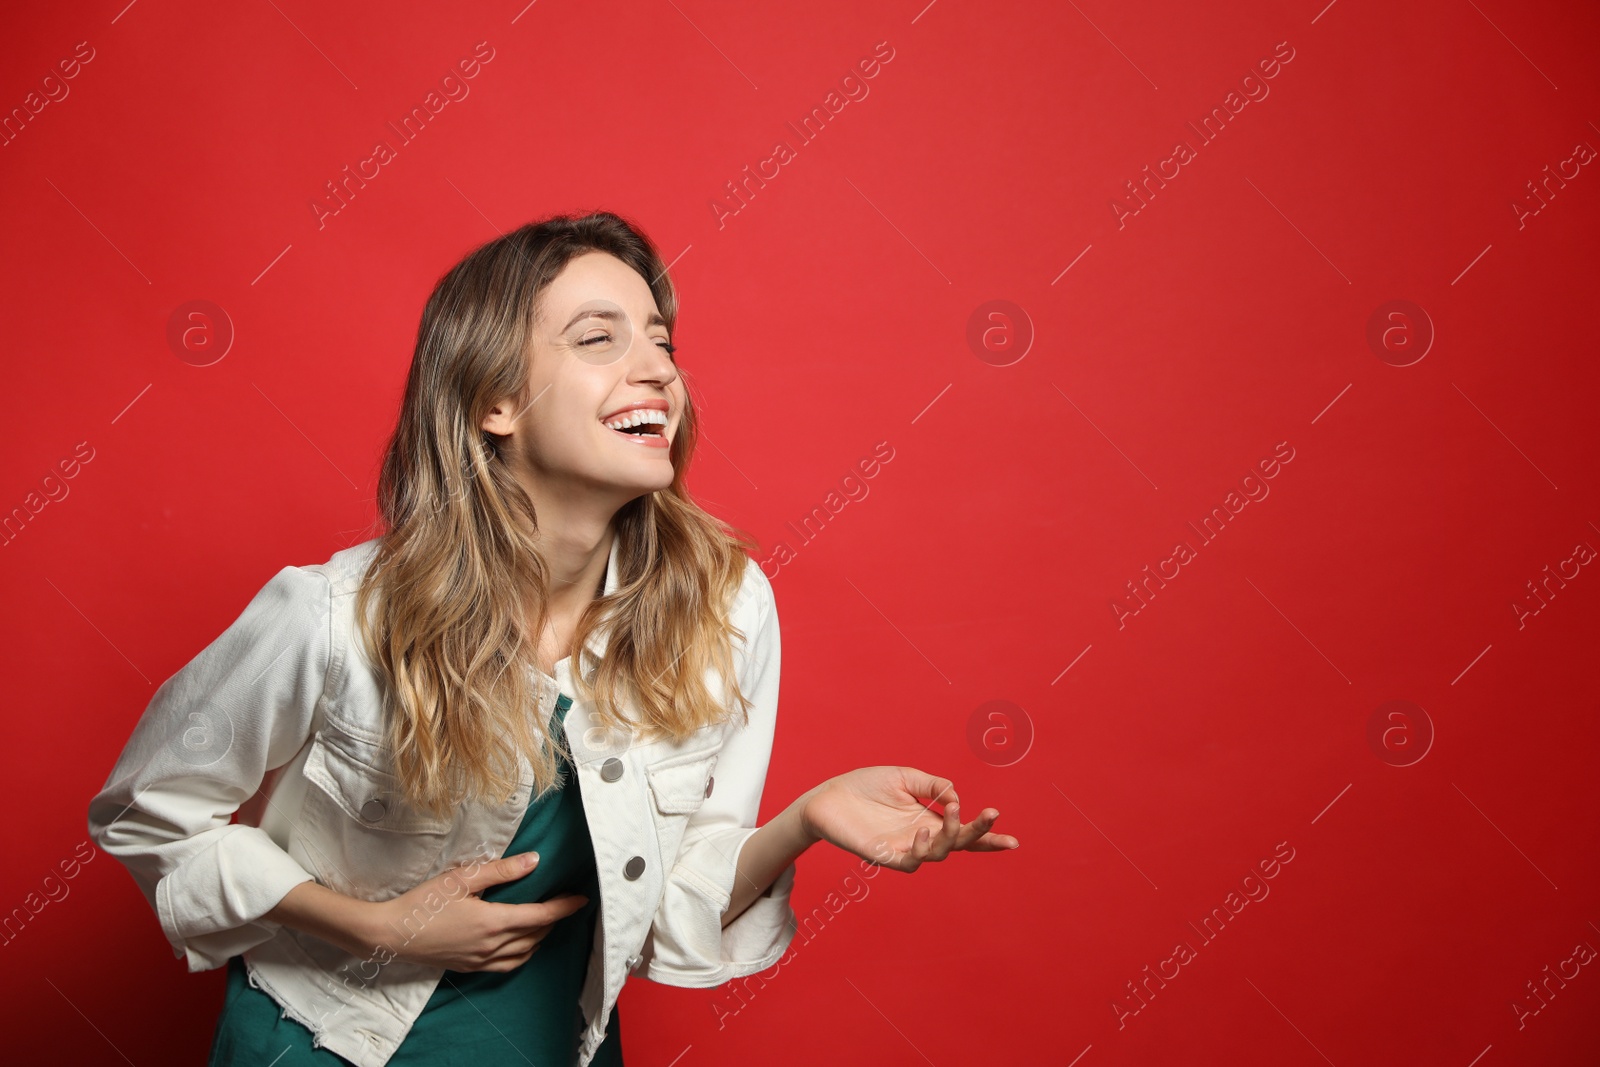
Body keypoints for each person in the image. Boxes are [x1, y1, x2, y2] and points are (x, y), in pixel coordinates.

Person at [87, 210, 1019, 1067]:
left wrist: (804, 820)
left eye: (662, 340)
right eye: (598, 338)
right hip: (318, 1039)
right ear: (495, 399)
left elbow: (668, 921)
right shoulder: (335, 613)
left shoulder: (728, 608)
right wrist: (372, 926)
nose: (657, 367)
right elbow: (146, 811)